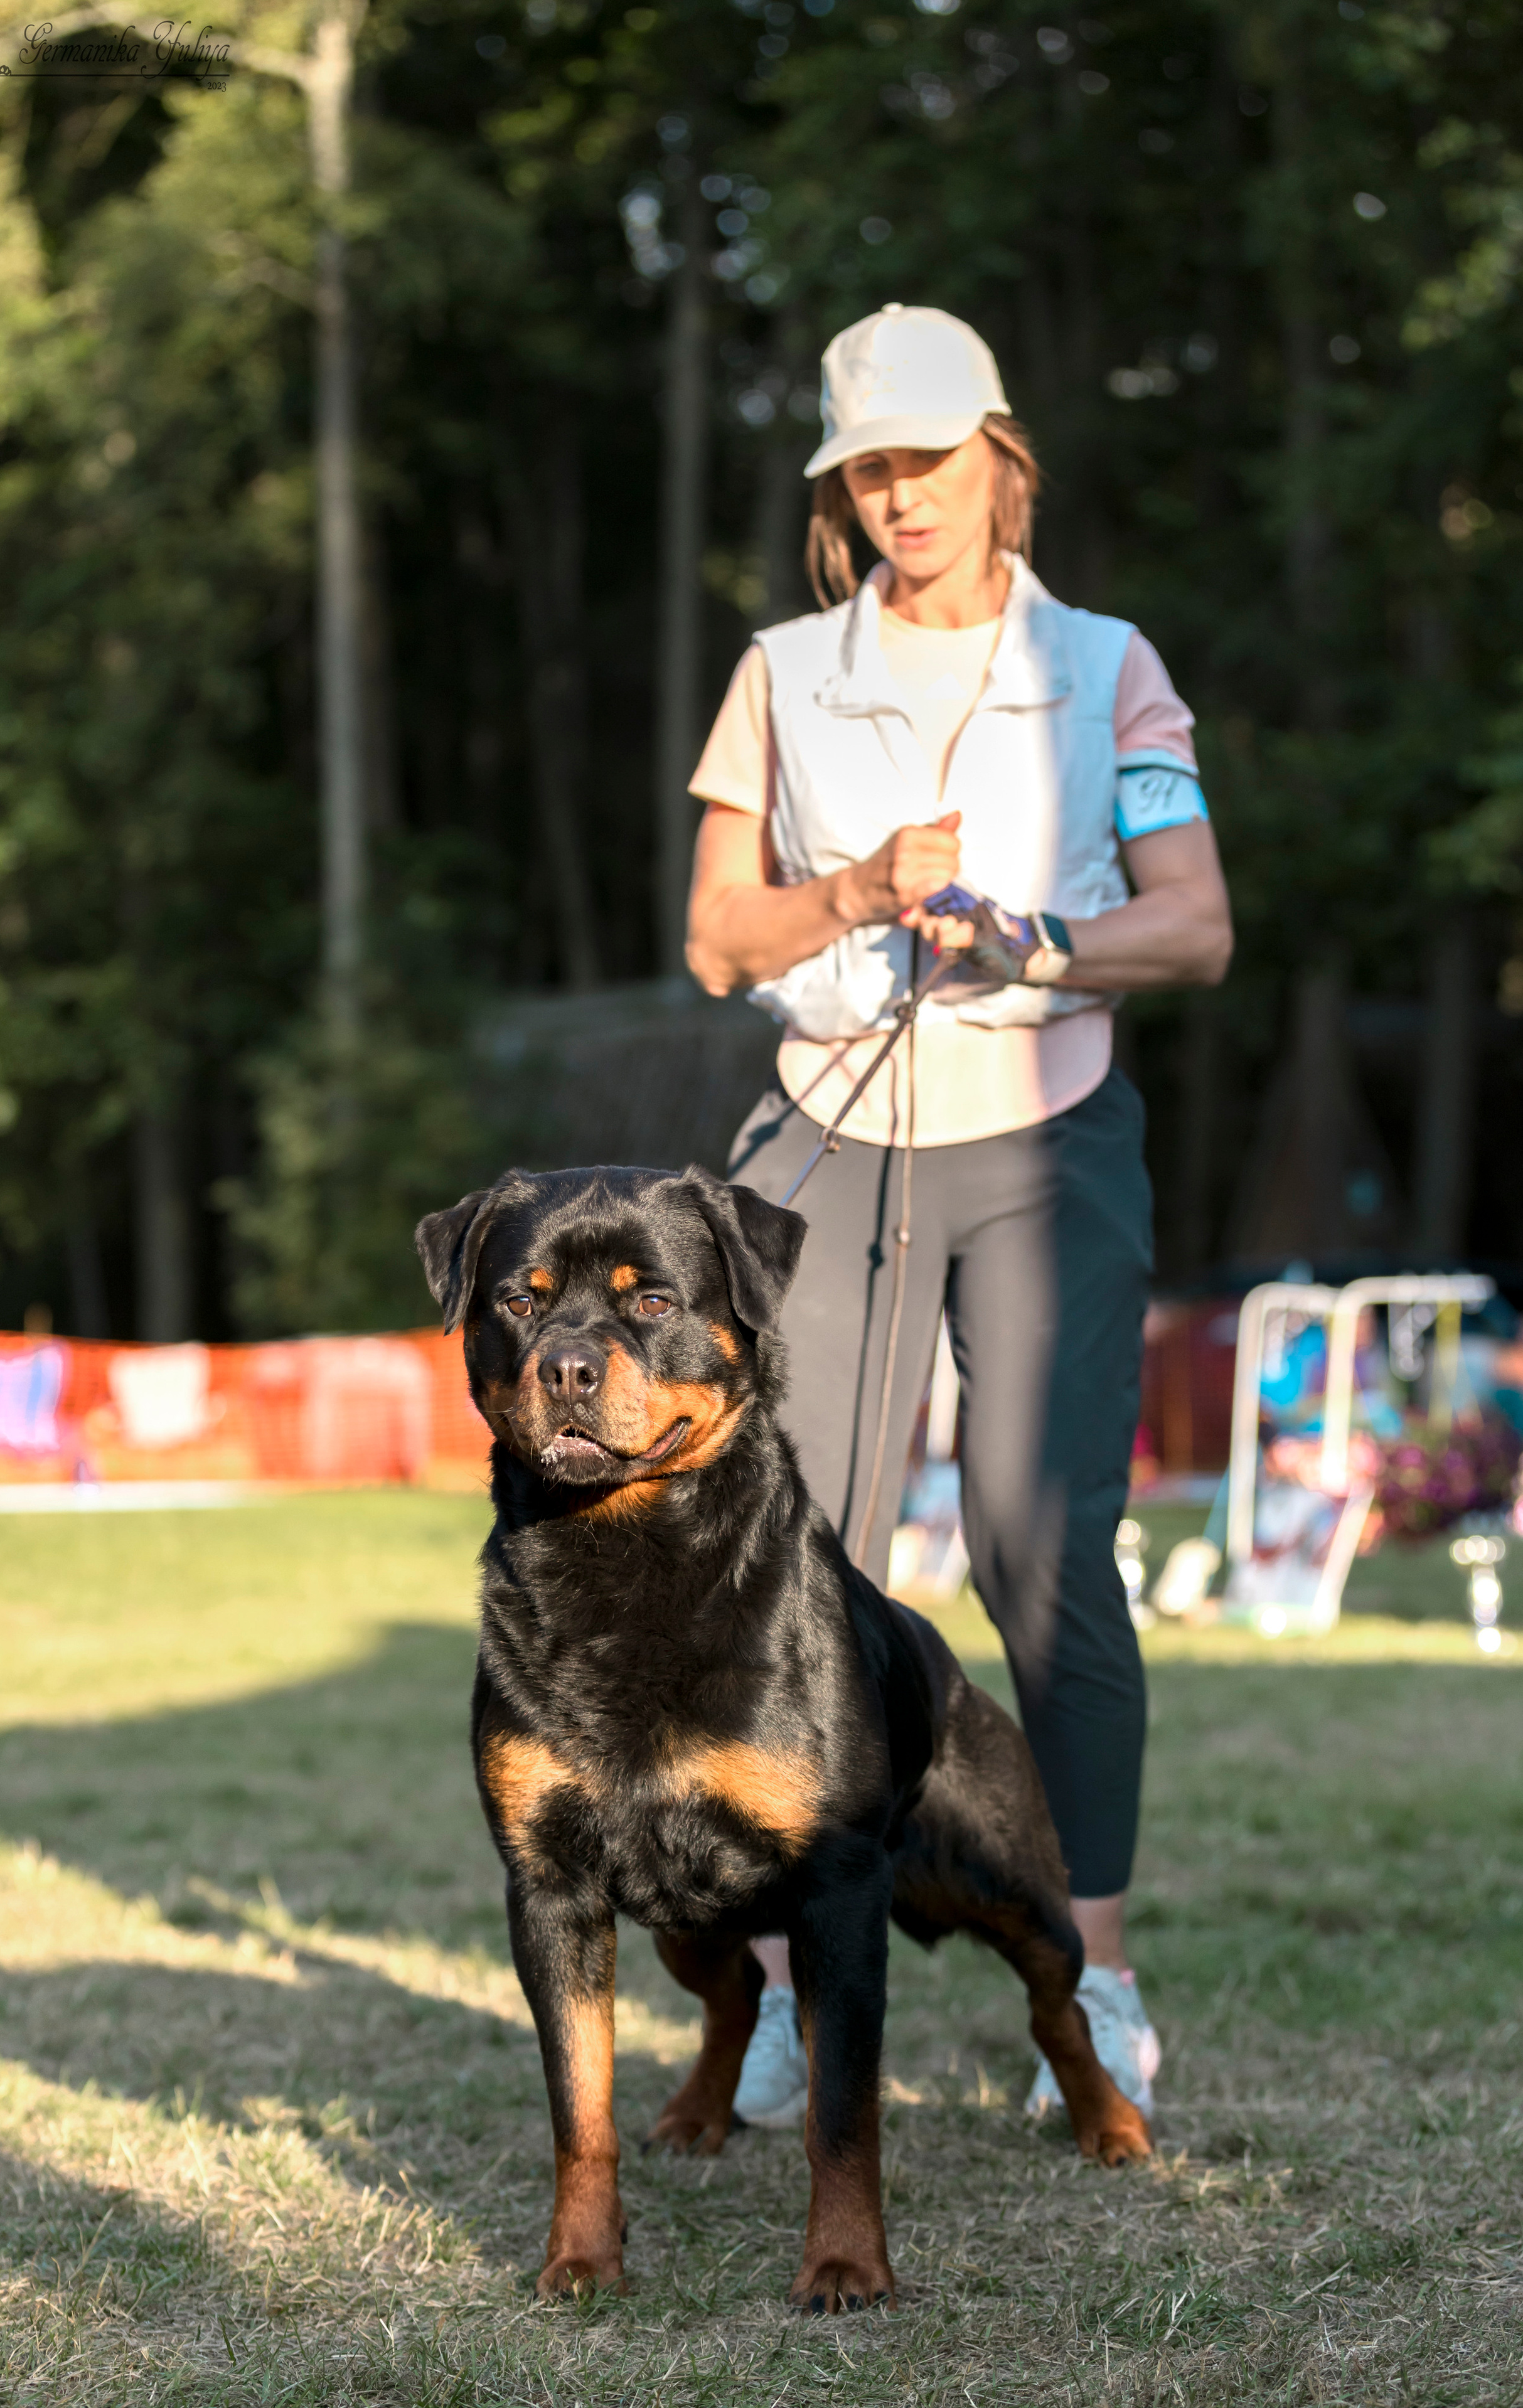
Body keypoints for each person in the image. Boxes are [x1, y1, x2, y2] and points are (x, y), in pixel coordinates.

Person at [683, 304, 1232, 2130]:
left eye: (928, 458)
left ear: (1003, 456)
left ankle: (1099, 1976)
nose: (900, 496)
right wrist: (849, 886)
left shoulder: (1108, 663)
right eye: (868, 469)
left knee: (1042, 1554)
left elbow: (1200, 926)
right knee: (791, 1569)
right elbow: (715, 940)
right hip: (826, 1146)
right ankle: (780, 1994)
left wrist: (1036, 941)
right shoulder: (782, 670)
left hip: (1045, 1139)